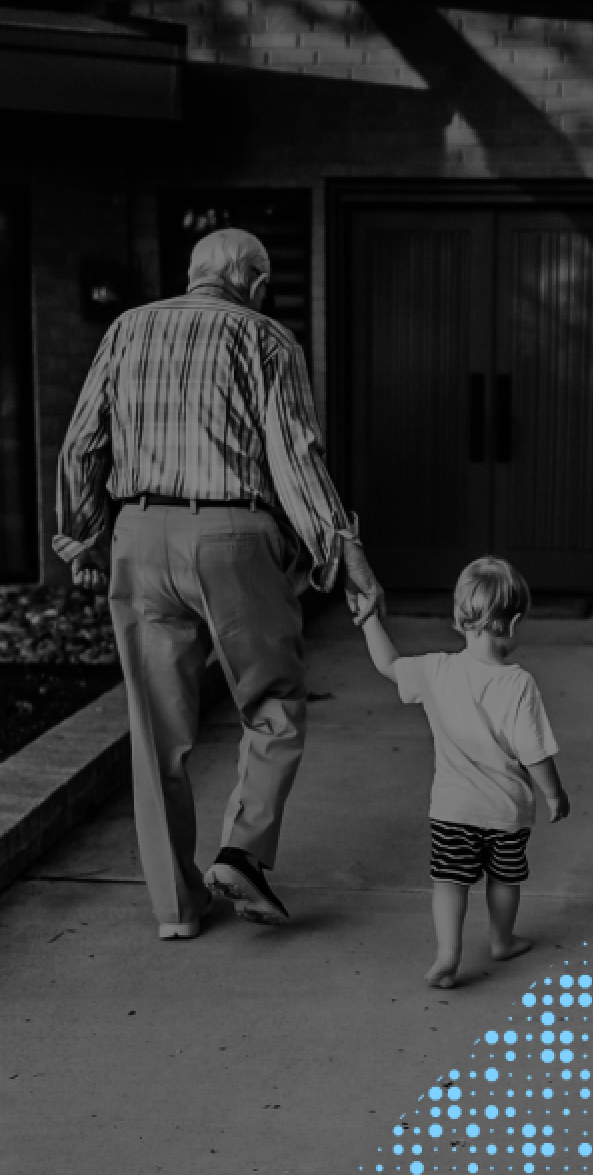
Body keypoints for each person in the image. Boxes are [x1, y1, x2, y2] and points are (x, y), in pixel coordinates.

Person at [54, 228, 384, 938]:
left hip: (140, 537)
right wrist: (345, 552)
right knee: (274, 700)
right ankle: (241, 852)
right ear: (256, 284)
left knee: (156, 731)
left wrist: (84, 537)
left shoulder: (126, 329)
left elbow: (84, 440)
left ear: (194, 273)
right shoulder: (267, 339)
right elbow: (295, 458)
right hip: (233, 537)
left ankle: (176, 910)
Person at [357, 555, 569, 987]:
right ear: (512, 625)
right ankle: (501, 940)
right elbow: (533, 752)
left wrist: (368, 621)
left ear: (459, 617)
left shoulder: (436, 670)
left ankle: (448, 955)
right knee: (505, 879)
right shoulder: (518, 683)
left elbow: (388, 666)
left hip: (452, 809)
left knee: (449, 883)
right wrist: (554, 794)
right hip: (506, 812)